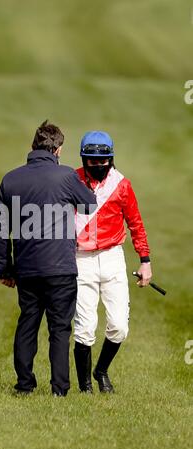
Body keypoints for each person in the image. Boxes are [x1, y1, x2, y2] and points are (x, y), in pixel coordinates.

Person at [0, 121, 96, 396]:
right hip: (61, 267)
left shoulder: (10, 179)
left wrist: (4, 268)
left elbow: (0, 229)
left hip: (26, 268)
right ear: (58, 149)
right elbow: (89, 203)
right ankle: (59, 389)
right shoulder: (65, 176)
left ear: (32, 147)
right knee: (59, 329)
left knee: (28, 323)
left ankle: (24, 384)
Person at [74, 130, 152, 393]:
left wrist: (145, 260)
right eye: (92, 162)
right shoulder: (72, 180)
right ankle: (85, 388)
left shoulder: (122, 185)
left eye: (103, 161)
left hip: (112, 258)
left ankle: (101, 370)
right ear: (84, 159)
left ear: (111, 158)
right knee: (84, 328)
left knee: (119, 325)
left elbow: (136, 224)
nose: (98, 166)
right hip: (80, 259)